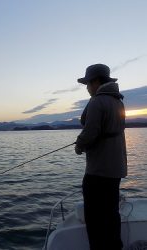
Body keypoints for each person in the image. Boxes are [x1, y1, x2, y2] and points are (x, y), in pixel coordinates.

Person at [75, 64, 127, 250]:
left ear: (96, 81)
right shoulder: (117, 101)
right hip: (116, 169)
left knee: (95, 219)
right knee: (111, 214)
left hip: (99, 171)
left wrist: (79, 145)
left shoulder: (98, 101)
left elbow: (90, 132)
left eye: (88, 83)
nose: (87, 87)